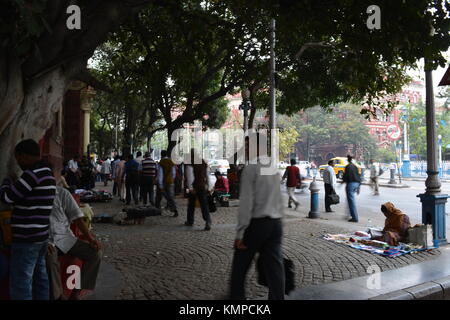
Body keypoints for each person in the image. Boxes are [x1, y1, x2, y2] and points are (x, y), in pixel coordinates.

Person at [229, 134, 285, 300]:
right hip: (275, 224)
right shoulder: (272, 165)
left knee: (239, 269)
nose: (245, 150)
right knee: (275, 270)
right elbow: (279, 197)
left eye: (247, 146)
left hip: (257, 225)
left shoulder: (251, 167)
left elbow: (246, 203)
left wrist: (240, 233)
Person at [0, 139, 56, 300]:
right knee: (40, 277)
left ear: (23, 155)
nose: (17, 163)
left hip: (27, 238)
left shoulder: (32, 175)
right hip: (40, 236)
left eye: (17, 158)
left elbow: (7, 197)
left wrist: (6, 182)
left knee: (21, 281)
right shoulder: (47, 173)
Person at [46, 186, 101, 300]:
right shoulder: (33, 194)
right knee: (50, 259)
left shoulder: (62, 193)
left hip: (65, 238)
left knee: (95, 253)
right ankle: (58, 296)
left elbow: (77, 218)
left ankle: (77, 292)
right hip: (47, 241)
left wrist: (90, 239)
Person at [184, 150, 213, 231]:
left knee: (191, 205)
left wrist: (190, 188)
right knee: (204, 205)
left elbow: (190, 176)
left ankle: (190, 221)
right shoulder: (203, 162)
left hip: (194, 187)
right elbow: (207, 175)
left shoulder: (190, 163)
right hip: (202, 186)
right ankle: (208, 221)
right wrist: (209, 187)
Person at [157, 150, 179, 217]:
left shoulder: (161, 162)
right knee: (170, 197)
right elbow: (173, 173)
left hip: (163, 182)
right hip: (170, 182)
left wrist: (160, 184)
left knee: (159, 197)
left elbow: (160, 174)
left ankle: (157, 210)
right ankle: (175, 210)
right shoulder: (171, 162)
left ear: (161, 154)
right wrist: (172, 179)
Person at [342, 155, 361, 223]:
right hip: (356, 184)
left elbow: (345, 176)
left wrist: (342, 182)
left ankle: (354, 217)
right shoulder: (355, 166)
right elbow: (359, 176)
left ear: (348, 160)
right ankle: (349, 214)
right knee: (350, 200)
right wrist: (359, 187)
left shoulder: (348, 167)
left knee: (351, 201)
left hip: (350, 184)